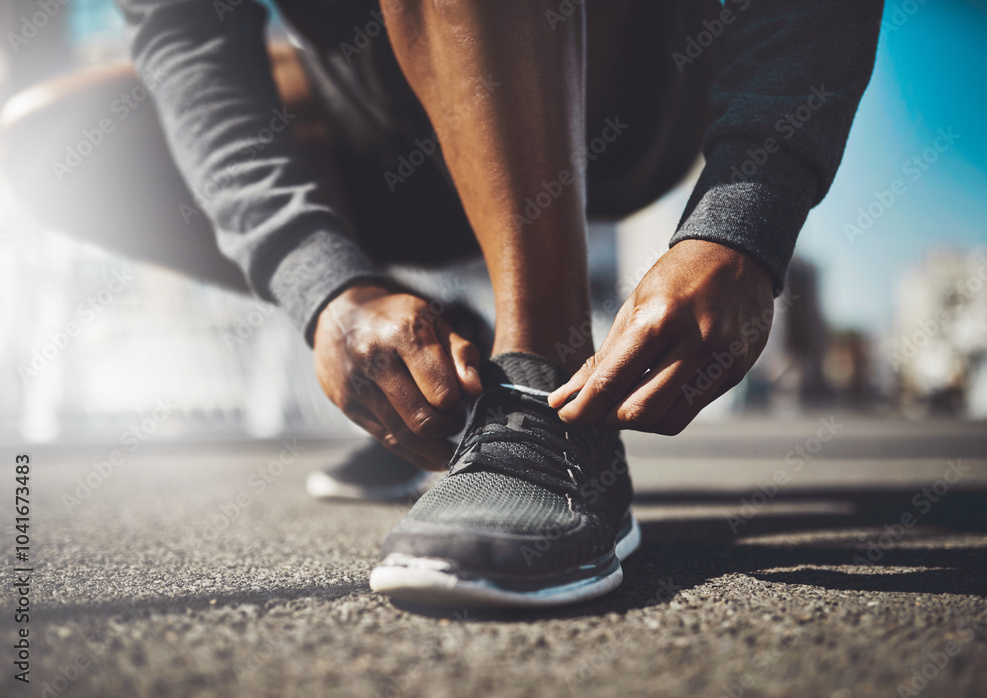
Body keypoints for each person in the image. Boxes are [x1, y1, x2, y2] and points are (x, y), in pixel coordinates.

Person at [0, 0, 882, 607]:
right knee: (46, 141)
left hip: (616, 96)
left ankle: (547, 377)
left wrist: (745, 218)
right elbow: (188, 39)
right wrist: (322, 283)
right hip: (383, 116)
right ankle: (469, 380)